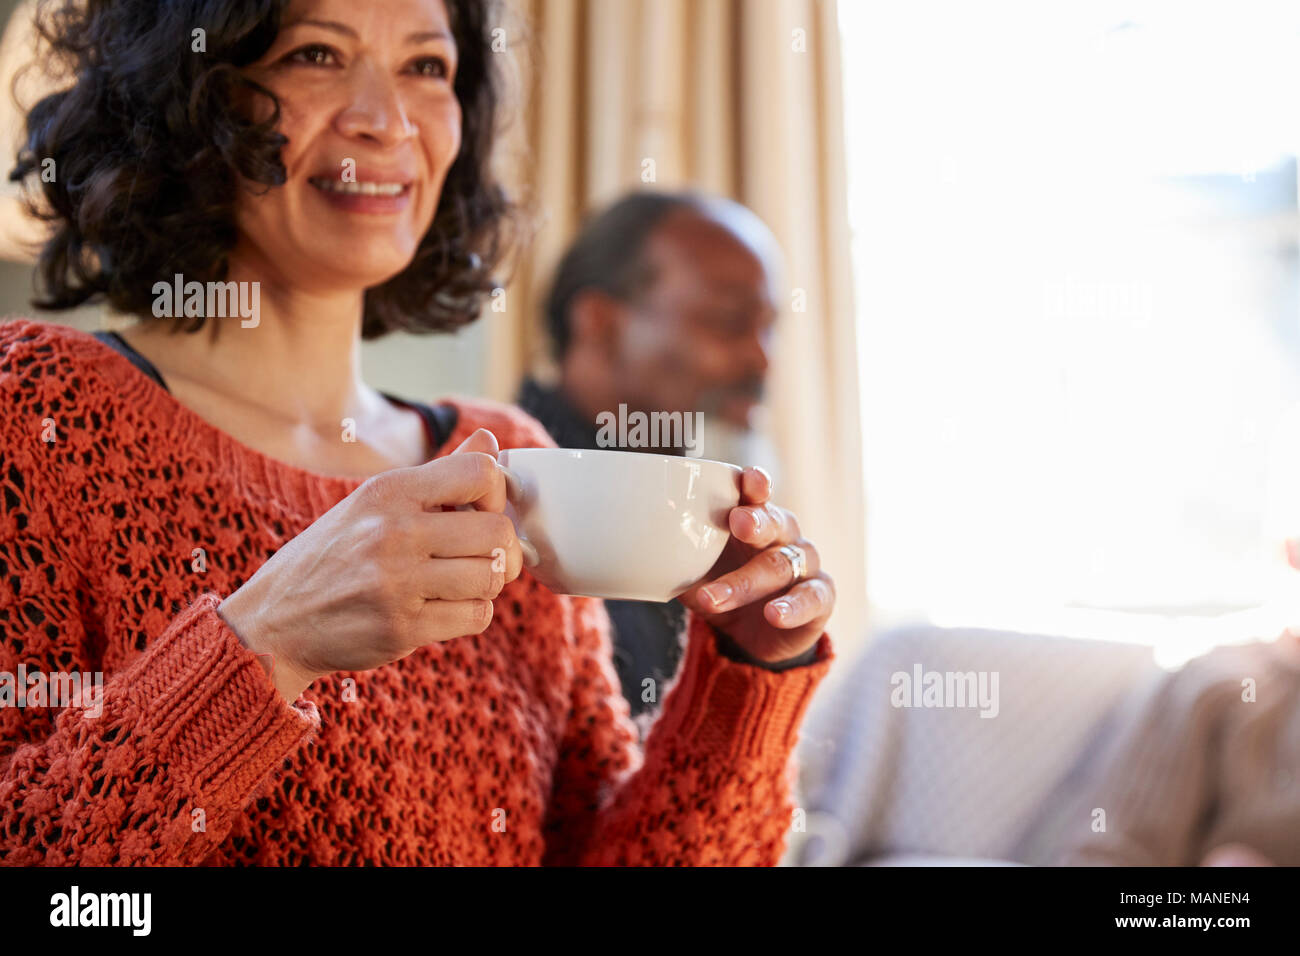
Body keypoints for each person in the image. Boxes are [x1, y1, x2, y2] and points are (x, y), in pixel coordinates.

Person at [0, 0, 836, 866]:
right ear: (192, 92)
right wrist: (265, 643)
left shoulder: (514, 461)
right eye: (317, 54)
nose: (387, 119)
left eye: (426, 68)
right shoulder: (34, 413)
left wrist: (749, 676)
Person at [517, 190, 797, 720]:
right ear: (600, 322)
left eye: (769, 327)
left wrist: (762, 658)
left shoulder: (706, 501)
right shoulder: (499, 492)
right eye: (728, 320)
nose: (762, 359)